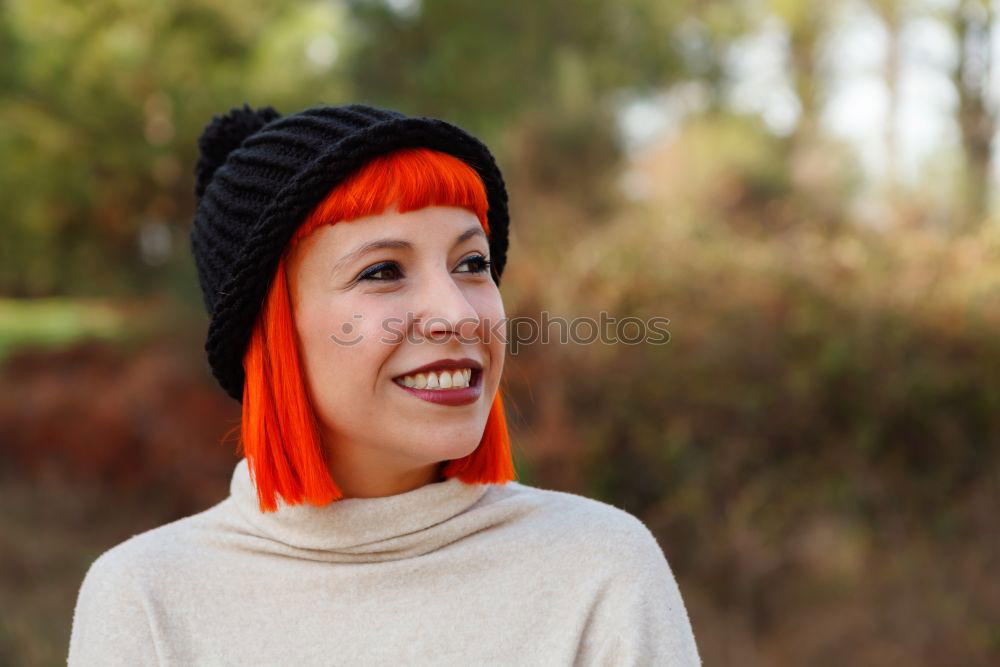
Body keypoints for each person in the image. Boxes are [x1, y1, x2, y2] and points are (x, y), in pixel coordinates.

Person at [67, 102, 702, 666]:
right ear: (272, 331)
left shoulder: (598, 567)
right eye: (382, 272)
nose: (456, 313)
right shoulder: (146, 599)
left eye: (472, 264)